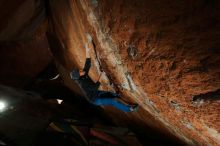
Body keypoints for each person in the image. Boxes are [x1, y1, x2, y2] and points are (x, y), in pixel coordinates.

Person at [70, 46, 138, 112]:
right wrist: (100, 75)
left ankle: (128, 104)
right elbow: (95, 87)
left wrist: (87, 51)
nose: (81, 70)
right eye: (80, 72)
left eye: (79, 70)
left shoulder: (83, 75)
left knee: (114, 95)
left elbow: (87, 64)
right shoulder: (82, 83)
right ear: (79, 76)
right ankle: (129, 109)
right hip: (95, 99)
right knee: (113, 101)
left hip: (96, 93)